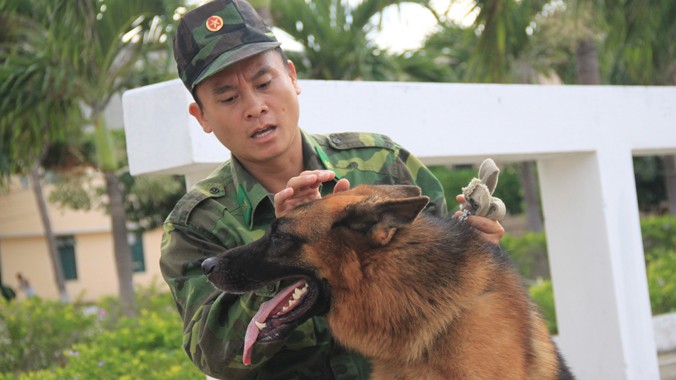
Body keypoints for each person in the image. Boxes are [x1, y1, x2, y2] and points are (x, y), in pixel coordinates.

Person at [161, 1, 504, 378]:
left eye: (264, 83)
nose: (255, 107)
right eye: (228, 97)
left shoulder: (383, 163)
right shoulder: (196, 224)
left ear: (292, 77)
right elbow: (212, 354)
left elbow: (451, 298)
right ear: (202, 116)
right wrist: (283, 250)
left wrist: (472, 245)